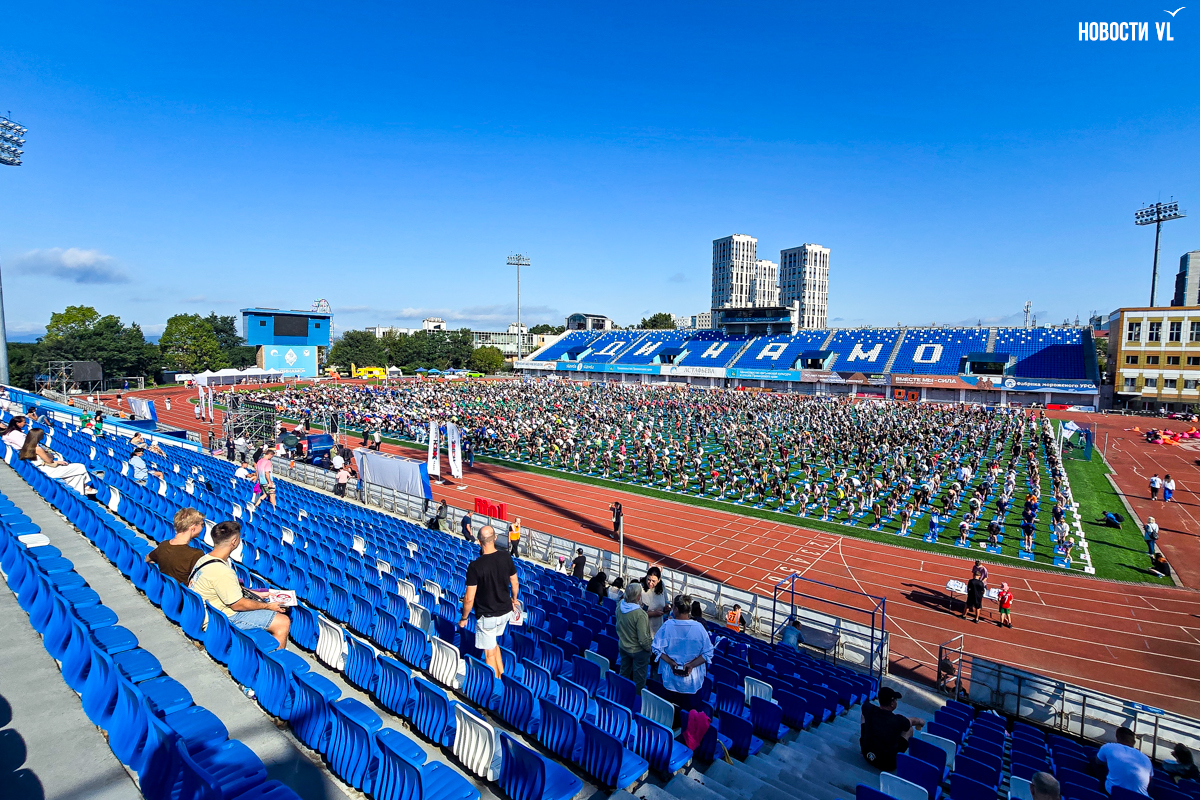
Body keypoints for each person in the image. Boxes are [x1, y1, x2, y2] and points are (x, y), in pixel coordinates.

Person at [189, 521, 291, 649]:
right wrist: (268, 606)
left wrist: (256, 594)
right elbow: (238, 604)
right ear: (234, 541)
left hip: (206, 613)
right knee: (283, 622)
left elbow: (225, 588)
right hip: (218, 621)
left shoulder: (203, 560)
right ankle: (274, 658)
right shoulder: (223, 572)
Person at [460, 525, 519, 679]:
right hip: (505, 612)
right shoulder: (506, 557)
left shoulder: (475, 566)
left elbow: (469, 598)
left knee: (489, 654)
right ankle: (501, 676)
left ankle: (495, 686)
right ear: (495, 538)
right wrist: (514, 600)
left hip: (488, 616)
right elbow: (514, 582)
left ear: (479, 542)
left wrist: (464, 618)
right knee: (493, 644)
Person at [651, 594, 714, 715]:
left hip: (670, 681)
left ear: (676, 609)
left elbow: (655, 648)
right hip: (692, 684)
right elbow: (708, 652)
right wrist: (691, 665)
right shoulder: (699, 628)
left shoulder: (667, 626)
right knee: (690, 718)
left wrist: (671, 662)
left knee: (671, 715)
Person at [859, 686, 925, 771]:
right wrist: (920, 722)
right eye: (895, 700)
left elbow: (865, 707)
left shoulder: (869, 708)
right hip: (888, 764)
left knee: (864, 715)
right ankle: (898, 757)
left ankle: (866, 744)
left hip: (866, 753)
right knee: (909, 729)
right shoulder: (898, 720)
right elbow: (911, 721)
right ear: (892, 704)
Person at [19, 430, 97, 496]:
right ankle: (86, 486)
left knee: (78, 476)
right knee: (80, 466)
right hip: (47, 470)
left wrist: (56, 461)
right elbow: (49, 460)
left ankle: (79, 493)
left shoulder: (26, 446)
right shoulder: (38, 448)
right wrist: (49, 454)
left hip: (40, 469)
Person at [146, 508, 206, 583]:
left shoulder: (163, 545)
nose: (203, 528)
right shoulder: (196, 554)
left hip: (165, 588)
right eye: (202, 525)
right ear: (193, 527)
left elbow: (147, 559)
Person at [616, 581, 653, 693]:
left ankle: (621, 694)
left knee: (624, 673)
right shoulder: (640, 614)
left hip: (623, 646)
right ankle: (636, 699)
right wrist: (649, 648)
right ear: (638, 597)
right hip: (638, 651)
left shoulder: (620, 605)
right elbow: (643, 639)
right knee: (639, 681)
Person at [1096, 727, 1152, 796]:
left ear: (1117, 738)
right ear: (1133, 742)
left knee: (1097, 762)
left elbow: (1098, 762)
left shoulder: (1108, 747)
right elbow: (1149, 781)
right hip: (1141, 797)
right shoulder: (1146, 759)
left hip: (1114, 793)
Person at [642, 566, 668, 635]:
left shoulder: (662, 586)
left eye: (653, 581)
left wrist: (666, 608)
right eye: (648, 579)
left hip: (658, 628)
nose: (650, 583)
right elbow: (637, 614)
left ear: (659, 580)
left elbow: (666, 601)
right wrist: (653, 613)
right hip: (644, 629)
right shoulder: (640, 588)